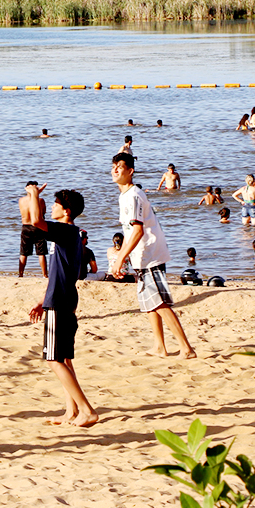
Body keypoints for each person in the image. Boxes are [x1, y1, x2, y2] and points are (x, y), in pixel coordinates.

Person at [109, 152, 197, 359]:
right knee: (148, 303)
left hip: (150, 254)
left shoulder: (134, 195)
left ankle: (186, 348)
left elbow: (138, 231)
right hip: (141, 255)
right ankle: (160, 347)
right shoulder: (126, 195)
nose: (114, 170)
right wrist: (125, 255)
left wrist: (121, 257)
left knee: (158, 302)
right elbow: (130, 231)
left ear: (130, 171)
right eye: (113, 166)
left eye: (119, 167)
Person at [27, 188, 98, 427]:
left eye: (55, 204)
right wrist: (41, 300)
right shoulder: (73, 235)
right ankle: (71, 412)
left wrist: (33, 194)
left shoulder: (67, 231)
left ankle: (87, 410)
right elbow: (60, 273)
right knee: (64, 359)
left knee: (53, 359)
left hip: (60, 302)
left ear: (66, 211)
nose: (52, 208)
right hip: (64, 299)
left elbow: (35, 221)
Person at [18, 181, 48, 278]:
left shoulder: (21, 200)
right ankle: (44, 275)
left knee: (24, 253)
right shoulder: (41, 200)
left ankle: (21, 274)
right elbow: (43, 212)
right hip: (38, 226)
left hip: (26, 226)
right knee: (41, 253)